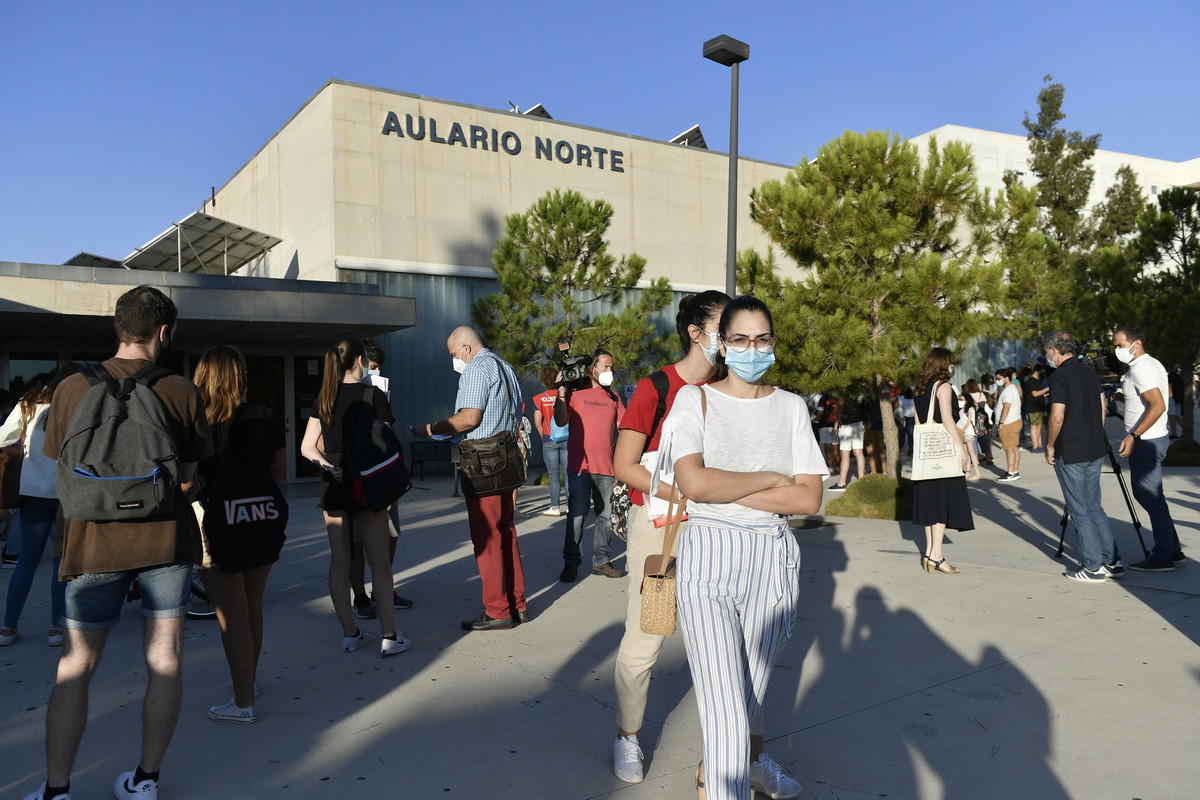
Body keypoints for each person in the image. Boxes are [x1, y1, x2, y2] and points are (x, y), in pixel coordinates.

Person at [25, 285, 213, 800]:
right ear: (163, 331)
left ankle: (56, 790)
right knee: (165, 658)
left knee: (76, 663)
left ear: (119, 328)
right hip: (165, 544)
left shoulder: (69, 388)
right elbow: (188, 475)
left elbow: (57, 464)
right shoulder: (181, 389)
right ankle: (145, 781)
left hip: (91, 545)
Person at [666, 295, 825, 800]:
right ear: (721, 343)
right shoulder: (695, 400)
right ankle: (725, 785)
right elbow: (692, 482)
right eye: (740, 339)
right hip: (709, 556)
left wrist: (725, 483)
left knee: (747, 701)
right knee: (726, 710)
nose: (752, 349)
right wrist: (767, 478)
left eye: (762, 339)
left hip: (771, 560)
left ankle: (714, 772)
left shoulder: (791, 407)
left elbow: (810, 497)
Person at [611, 291, 740, 785]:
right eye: (723, 327)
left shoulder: (733, 388)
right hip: (662, 529)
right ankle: (627, 736)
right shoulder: (656, 387)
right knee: (648, 633)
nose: (731, 339)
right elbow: (623, 465)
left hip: (720, 527)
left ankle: (737, 752)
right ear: (696, 332)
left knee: (725, 637)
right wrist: (684, 492)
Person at [300, 336, 412, 657]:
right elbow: (386, 441)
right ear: (360, 361)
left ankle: (350, 634)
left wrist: (327, 464)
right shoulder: (373, 395)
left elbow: (307, 446)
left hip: (333, 481)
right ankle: (389, 636)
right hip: (368, 482)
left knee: (339, 561)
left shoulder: (325, 397)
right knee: (379, 562)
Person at [193, 346, 287, 723]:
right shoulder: (265, 415)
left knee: (230, 614)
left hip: (213, 524)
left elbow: (186, 480)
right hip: (261, 517)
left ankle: (243, 701)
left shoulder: (197, 420)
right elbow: (279, 471)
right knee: (252, 606)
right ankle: (250, 680)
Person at [412, 326, 529, 631]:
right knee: (506, 531)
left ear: (465, 348)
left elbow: (469, 418)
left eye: (453, 354)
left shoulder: (477, 368)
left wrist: (430, 429)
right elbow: (515, 413)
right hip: (507, 455)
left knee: (487, 538)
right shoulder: (505, 366)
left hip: (484, 462)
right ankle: (517, 604)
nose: (454, 360)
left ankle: (497, 610)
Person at [0, 364, 80, 648]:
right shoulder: (78, 402)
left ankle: (8, 628)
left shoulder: (28, 404)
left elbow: (2, 438)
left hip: (33, 492)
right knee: (62, 563)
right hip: (66, 494)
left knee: (27, 561)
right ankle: (55, 629)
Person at [1043, 331, 1119, 582]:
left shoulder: (1059, 376)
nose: (1047, 357)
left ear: (1054, 350)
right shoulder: (1089, 371)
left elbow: (1056, 416)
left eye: (1048, 352)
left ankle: (1093, 566)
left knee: (1080, 510)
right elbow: (1102, 407)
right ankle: (1112, 560)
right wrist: (1097, 434)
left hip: (1072, 450)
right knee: (1094, 506)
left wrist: (1050, 445)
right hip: (1094, 447)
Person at [1112, 325, 1185, 571]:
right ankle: (1172, 549)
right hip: (1155, 438)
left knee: (1149, 497)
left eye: (1120, 345)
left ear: (1137, 343)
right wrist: (1124, 397)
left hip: (1147, 441)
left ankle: (1163, 555)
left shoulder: (1141, 368)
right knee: (1153, 497)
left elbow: (1158, 405)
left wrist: (1133, 435)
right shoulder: (1151, 364)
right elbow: (1145, 400)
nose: (1117, 350)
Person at [349, 340, 412, 618]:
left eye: (379, 369)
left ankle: (381, 589)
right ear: (360, 363)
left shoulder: (378, 394)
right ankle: (360, 597)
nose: (375, 372)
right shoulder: (340, 395)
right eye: (371, 367)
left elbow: (388, 433)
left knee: (391, 533)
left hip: (381, 474)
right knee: (355, 541)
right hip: (353, 475)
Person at [554, 347, 626, 582]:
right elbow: (561, 419)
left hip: (607, 468)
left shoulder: (613, 397)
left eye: (611, 367)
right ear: (593, 368)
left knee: (605, 517)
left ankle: (601, 562)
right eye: (605, 366)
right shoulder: (575, 394)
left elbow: (624, 430)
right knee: (576, 516)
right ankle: (571, 563)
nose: (609, 370)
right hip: (580, 468)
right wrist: (561, 394)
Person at [911, 349, 974, 574]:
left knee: (930, 503)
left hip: (927, 454)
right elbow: (947, 418)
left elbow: (919, 423)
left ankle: (929, 553)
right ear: (944, 364)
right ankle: (937, 556)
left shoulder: (919, 388)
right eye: (951, 363)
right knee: (941, 502)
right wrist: (961, 448)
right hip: (944, 452)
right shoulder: (943, 386)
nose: (952, 366)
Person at [532, 366, 566, 516]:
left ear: (544, 382)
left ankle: (555, 507)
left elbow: (537, 422)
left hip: (549, 438)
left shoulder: (539, 398)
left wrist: (544, 437)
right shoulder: (565, 395)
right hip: (566, 437)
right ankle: (571, 506)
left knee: (553, 475)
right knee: (567, 474)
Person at [829, 390, 867, 491]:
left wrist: (836, 425)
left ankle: (842, 483)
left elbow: (840, 410)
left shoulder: (845, 392)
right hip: (859, 424)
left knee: (845, 454)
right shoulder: (861, 392)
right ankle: (861, 480)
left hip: (846, 425)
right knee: (859, 452)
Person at [994, 367, 1023, 481]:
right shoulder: (1011, 389)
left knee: (1009, 448)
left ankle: (1011, 473)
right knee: (1014, 448)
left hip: (1008, 423)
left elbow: (1006, 406)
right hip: (1014, 421)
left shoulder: (1009, 390)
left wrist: (1001, 422)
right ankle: (1014, 471)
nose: (997, 380)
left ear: (1006, 378)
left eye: (999, 378)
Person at [963, 379, 994, 466]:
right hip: (981, 419)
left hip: (971, 419)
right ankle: (988, 458)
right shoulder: (981, 394)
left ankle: (976, 460)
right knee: (983, 439)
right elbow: (984, 405)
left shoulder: (967, 396)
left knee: (974, 441)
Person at [957, 391, 982, 481]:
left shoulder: (970, 408)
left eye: (962, 399)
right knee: (966, 452)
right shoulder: (961, 409)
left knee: (971, 452)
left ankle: (977, 472)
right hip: (962, 432)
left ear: (966, 399)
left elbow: (968, 422)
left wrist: (962, 430)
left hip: (968, 432)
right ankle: (968, 471)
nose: (960, 401)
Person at [1026, 364, 1051, 451]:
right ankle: (1035, 446)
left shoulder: (1036, 381)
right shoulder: (1032, 381)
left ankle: (1038, 444)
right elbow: (1035, 394)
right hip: (1034, 408)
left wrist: (1045, 395)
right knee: (1034, 426)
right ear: (1038, 371)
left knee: (1039, 427)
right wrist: (1047, 389)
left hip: (1039, 407)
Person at [898, 388, 916, 455]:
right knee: (910, 435)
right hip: (912, 417)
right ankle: (911, 449)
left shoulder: (901, 398)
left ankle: (900, 448)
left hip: (903, 417)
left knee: (902, 434)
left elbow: (899, 406)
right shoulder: (913, 398)